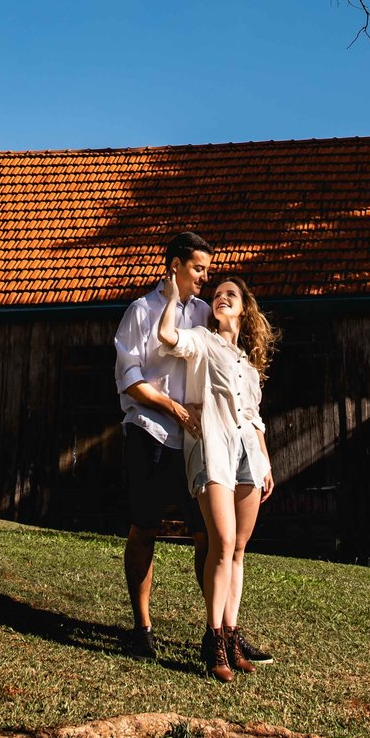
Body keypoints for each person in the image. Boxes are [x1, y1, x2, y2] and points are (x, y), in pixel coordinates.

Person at [158, 271, 277, 682]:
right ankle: (212, 638)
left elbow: (255, 416)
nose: (221, 297)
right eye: (217, 294)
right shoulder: (202, 340)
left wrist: (265, 462)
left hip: (248, 455)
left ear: (244, 308)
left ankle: (231, 633)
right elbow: (169, 339)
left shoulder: (247, 362)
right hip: (212, 448)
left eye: (231, 294)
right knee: (222, 542)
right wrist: (173, 298)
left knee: (240, 548)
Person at [113, 230, 213, 659]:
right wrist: (173, 408)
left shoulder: (207, 313)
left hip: (196, 442)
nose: (204, 278)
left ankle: (217, 630)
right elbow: (130, 379)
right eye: (198, 268)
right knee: (145, 528)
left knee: (207, 533)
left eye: (208, 270)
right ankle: (142, 629)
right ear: (174, 264)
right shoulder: (141, 310)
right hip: (149, 434)